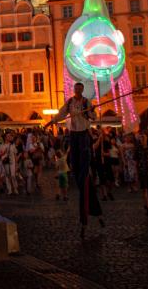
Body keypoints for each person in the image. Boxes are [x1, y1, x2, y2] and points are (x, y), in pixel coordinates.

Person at [45, 82, 100, 237]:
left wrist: (91, 112)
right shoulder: (70, 102)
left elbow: (93, 117)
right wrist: (52, 121)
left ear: (82, 90)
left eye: (79, 88)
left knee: (83, 159)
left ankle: (84, 174)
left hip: (83, 134)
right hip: (73, 134)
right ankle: (77, 172)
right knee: (74, 160)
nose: (77, 90)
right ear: (74, 89)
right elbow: (62, 113)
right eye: (75, 88)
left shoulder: (86, 102)